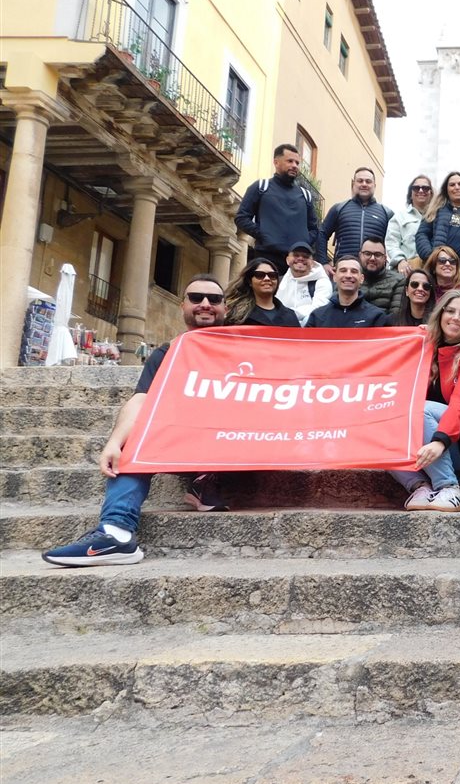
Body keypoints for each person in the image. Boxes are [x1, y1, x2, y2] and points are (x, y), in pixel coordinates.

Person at [42, 275, 232, 566]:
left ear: (225, 309)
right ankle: (116, 532)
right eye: (196, 298)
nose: (205, 304)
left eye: (214, 299)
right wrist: (115, 443)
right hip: (185, 442)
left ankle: (205, 482)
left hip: (236, 443)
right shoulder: (167, 353)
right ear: (183, 306)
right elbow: (142, 399)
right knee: (136, 435)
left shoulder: (244, 347)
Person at [389, 292, 460, 512]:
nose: (456, 317)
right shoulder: (426, 352)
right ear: (440, 315)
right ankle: (420, 487)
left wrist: (439, 441)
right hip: (433, 443)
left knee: (422, 410)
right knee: (384, 418)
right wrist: (415, 340)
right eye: (450, 311)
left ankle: (449, 487)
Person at [234, 143, 320, 272]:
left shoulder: (305, 195)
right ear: (276, 162)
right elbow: (241, 218)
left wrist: (304, 240)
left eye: (297, 162)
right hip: (267, 257)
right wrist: (264, 234)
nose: (295, 166)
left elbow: (314, 228)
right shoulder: (260, 187)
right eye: (290, 161)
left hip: (296, 261)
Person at [416, 171, 460, 289]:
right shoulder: (435, 210)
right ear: (446, 189)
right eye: (452, 185)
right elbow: (422, 235)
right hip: (441, 272)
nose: (457, 187)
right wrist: (432, 257)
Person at [317, 167, 394, 265]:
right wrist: (324, 263)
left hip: (374, 272)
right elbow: (322, 234)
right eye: (360, 181)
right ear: (353, 184)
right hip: (345, 271)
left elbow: (394, 242)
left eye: (368, 181)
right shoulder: (339, 208)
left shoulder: (386, 213)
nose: (364, 184)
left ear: (374, 185)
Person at [307, 256, 390, 327]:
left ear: (361, 278)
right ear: (335, 277)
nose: (348, 275)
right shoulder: (317, 317)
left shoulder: (376, 317)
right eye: (343, 271)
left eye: (354, 271)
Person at [222, 259, 301, 327]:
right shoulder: (235, 313)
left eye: (272, 275)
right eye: (259, 275)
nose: (267, 278)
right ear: (249, 281)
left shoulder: (290, 316)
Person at [276, 241, 332, 325]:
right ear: (287, 260)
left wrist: (286, 314)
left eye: (306, 256)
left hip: (309, 332)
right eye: (296, 255)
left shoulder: (322, 281)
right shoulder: (278, 282)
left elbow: (319, 309)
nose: (300, 258)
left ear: (312, 262)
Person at [385, 174, 433, 272]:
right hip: (407, 268)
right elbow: (391, 243)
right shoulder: (399, 217)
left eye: (425, 188)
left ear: (431, 193)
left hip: (432, 268)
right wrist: (400, 261)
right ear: (410, 193)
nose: (420, 190)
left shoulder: (437, 217)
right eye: (416, 188)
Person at [358, 238, 406, 318]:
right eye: (367, 253)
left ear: (385, 258)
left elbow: (395, 316)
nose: (372, 258)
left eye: (377, 255)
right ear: (360, 255)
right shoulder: (350, 277)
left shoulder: (398, 281)